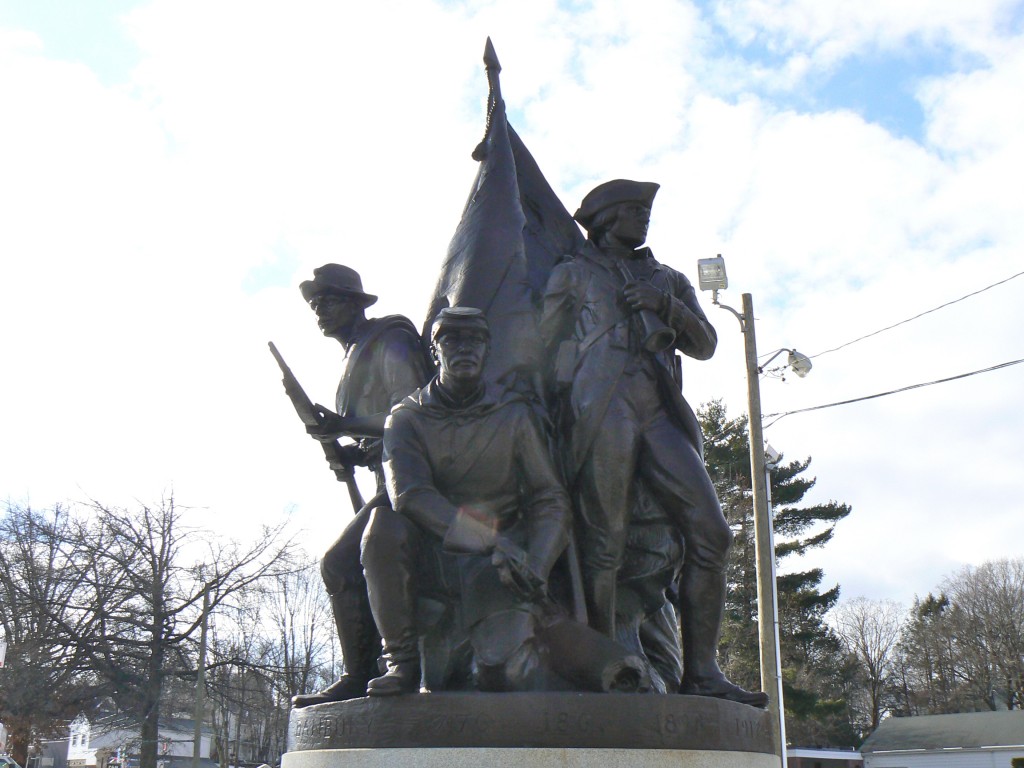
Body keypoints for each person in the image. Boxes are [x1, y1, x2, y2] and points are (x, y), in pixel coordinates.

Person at [540, 179, 768, 707]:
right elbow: (539, 348)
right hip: (600, 409)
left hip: (658, 409)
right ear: (603, 219)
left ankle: (703, 672)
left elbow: (706, 345)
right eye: (632, 211)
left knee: (712, 534)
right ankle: (603, 667)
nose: (642, 219)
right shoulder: (574, 272)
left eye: (645, 211)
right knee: (605, 541)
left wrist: (666, 306)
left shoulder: (669, 278)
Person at [361, 307, 571, 694]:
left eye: (474, 340)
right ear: (435, 349)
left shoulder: (514, 413)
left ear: (487, 349)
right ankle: (401, 663)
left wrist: (537, 566)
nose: (465, 349)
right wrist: (492, 540)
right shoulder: (406, 418)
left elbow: (549, 497)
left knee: (504, 675)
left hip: (499, 563)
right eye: (452, 340)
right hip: (437, 550)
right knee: (380, 529)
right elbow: (410, 496)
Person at [291, 264, 431, 707]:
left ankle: (385, 669)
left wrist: (346, 425)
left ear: (356, 303)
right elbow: (388, 428)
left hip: (419, 481)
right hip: (387, 478)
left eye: (328, 302)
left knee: (339, 562)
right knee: (339, 564)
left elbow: (415, 413)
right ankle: (361, 672)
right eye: (315, 306)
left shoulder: (390, 341)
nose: (320, 313)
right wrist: (355, 450)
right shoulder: (355, 353)